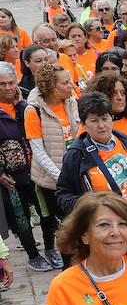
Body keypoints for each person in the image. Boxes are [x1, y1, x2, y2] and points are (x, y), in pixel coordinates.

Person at [55, 90, 127, 223]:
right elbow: (63, 194)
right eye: (94, 121)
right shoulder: (76, 154)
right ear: (83, 124)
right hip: (100, 226)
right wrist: (92, 208)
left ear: (112, 119)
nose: (101, 125)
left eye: (105, 118)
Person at [0, 61, 54, 272]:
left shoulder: (26, 108)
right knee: (20, 216)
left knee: (45, 211)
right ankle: (33, 254)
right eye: (1, 84)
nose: (7, 88)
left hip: (36, 171)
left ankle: (50, 248)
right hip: (12, 178)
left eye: (10, 83)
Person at [24, 60, 77, 268]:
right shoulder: (34, 111)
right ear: (51, 86)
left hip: (73, 174)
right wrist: (60, 176)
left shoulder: (71, 102)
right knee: (65, 225)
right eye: (65, 83)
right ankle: (68, 266)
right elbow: (38, 150)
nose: (70, 85)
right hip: (52, 179)